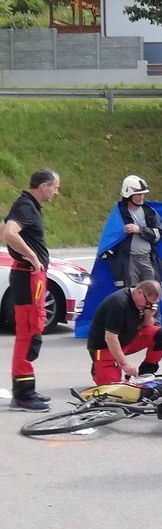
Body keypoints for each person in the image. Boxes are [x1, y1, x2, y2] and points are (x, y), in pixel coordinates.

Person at [2, 168, 60, 412]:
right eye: (55, 187)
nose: (56, 192)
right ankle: (23, 395)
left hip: (32, 276)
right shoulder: (26, 206)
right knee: (29, 334)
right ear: (44, 186)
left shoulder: (28, 205)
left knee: (33, 331)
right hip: (28, 276)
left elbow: (3, 227)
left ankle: (26, 388)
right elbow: (9, 232)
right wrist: (32, 255)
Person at [86, 280, 162, 383]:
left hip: (127, 340)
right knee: (113, 387)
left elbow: (146, 326)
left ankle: (146, 372)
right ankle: (99, 368)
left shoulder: (141, 302)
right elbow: (110, 338)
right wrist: (124, 364)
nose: (148, 306)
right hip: (105, 348)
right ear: (139, 291)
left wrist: (148, 315)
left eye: (152, 304)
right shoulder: (118, 304)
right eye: (148, 302)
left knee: (161, 334)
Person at [103, 175, 162, 288]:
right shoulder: (119, 213)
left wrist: (140, 230)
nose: (142, 197)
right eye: (139, 194)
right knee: (130, 296)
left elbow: (159, 235)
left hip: (148, 259)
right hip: (128, 261)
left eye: (143, 194)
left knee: (151, 294)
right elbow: (108, 237)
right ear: (128, 194)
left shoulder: (150, 213)